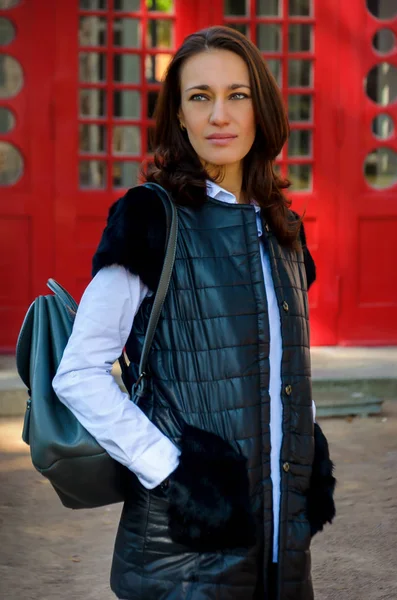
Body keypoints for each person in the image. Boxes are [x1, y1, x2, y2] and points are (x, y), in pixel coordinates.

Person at [53, 25, 335, 600]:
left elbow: (284, 370)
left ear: (261, 109)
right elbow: (78, 374)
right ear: (179, 116)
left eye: (237, 95)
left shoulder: (282, 228)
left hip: (283, 539)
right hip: (182, 547)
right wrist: (174, 471)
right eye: (199, 97)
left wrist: (308, 448)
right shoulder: (150, 219)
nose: (219, 115)